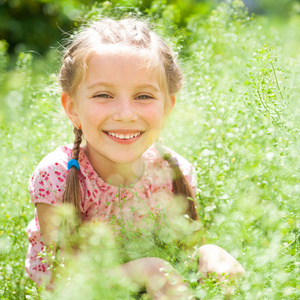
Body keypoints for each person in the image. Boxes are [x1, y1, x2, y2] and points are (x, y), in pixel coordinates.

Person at [25, 17, 245, 298]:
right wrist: (147, 270)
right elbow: (68, 281)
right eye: (104, 95)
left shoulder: (174, 171)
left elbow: (182, 253)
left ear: (167, 107)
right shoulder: (58, 174)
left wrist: (207, 255)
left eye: (143, 96)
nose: (126, 113)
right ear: (72, 107)